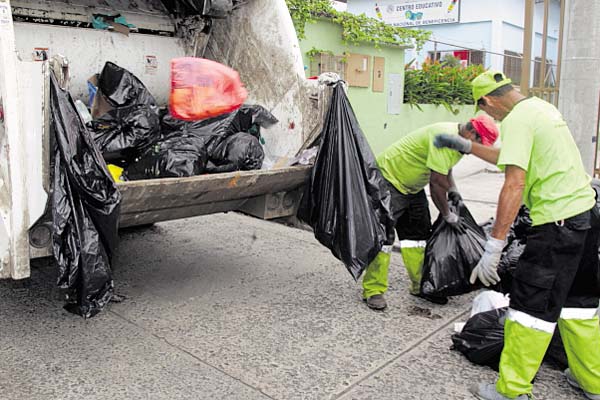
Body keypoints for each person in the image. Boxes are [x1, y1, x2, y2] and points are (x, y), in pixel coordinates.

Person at [435, 70, 600, 400]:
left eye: (486, 110)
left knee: (529, 310)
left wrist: (494, 246)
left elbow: (514, 183)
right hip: (586, 217)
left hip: (557, 226)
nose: (489, 117)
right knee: (578, 306)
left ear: (490, 100)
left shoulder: (517, 120)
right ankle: (593, 382)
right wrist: (467, 146)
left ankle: (511, 391)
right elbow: (508, 158)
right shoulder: (542, 109)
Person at [363, 116, 499, 311]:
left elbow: (445, 169)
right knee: (384, 239)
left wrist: (453, 190)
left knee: (418, 238)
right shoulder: (444, 136)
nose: (476, 151)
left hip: (412, 187)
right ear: (470, 132)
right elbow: (436, 184)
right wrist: (448, 215)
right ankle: (373, 290)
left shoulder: (459, 142)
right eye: (479, 143)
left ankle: (421, 286)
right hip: (388, 181)